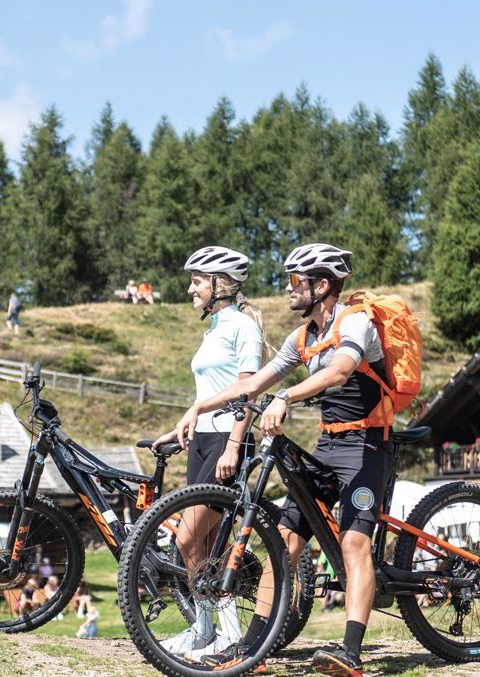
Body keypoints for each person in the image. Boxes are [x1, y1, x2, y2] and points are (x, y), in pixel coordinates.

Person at [169, 243, 391, 675]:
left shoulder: (355, 322)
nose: (289, 289)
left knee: (353, 543)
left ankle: (349, 652)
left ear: (321, 285)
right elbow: (253, 385)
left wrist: (286, 396)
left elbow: (339, 372)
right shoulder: (303, 336)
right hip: (328, 445)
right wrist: (201, 407)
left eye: (295, 281)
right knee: (283, 545)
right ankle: (249, 649)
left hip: (368, 446)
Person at [151, 245, 264, 658]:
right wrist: (182, 424)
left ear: (220, 284)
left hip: (225, 442)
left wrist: (234, 445)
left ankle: (214, 632)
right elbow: (209, 392)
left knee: (185, 536)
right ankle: (215, 633)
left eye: (196, 281)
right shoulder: (214, 328)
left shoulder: (244, 328)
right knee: (210, 543)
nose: (189, 288)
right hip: (203, 439)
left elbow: (248, 393)